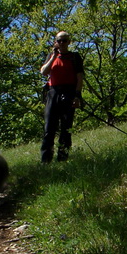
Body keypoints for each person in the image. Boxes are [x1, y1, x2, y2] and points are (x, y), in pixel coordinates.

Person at [40, 31, 84, 163]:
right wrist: (54, 56)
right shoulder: (51, 56)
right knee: (49, 128)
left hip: (69, 92)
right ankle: (46, 160)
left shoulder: (75, 57)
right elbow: (43, 72)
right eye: (59, 41)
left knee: (66, 128)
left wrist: (77, 96)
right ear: (55, 42)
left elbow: (79, 78)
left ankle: (62, 159)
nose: (61, 43)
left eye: (64, 41)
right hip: (53, 93)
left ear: (69, 42)